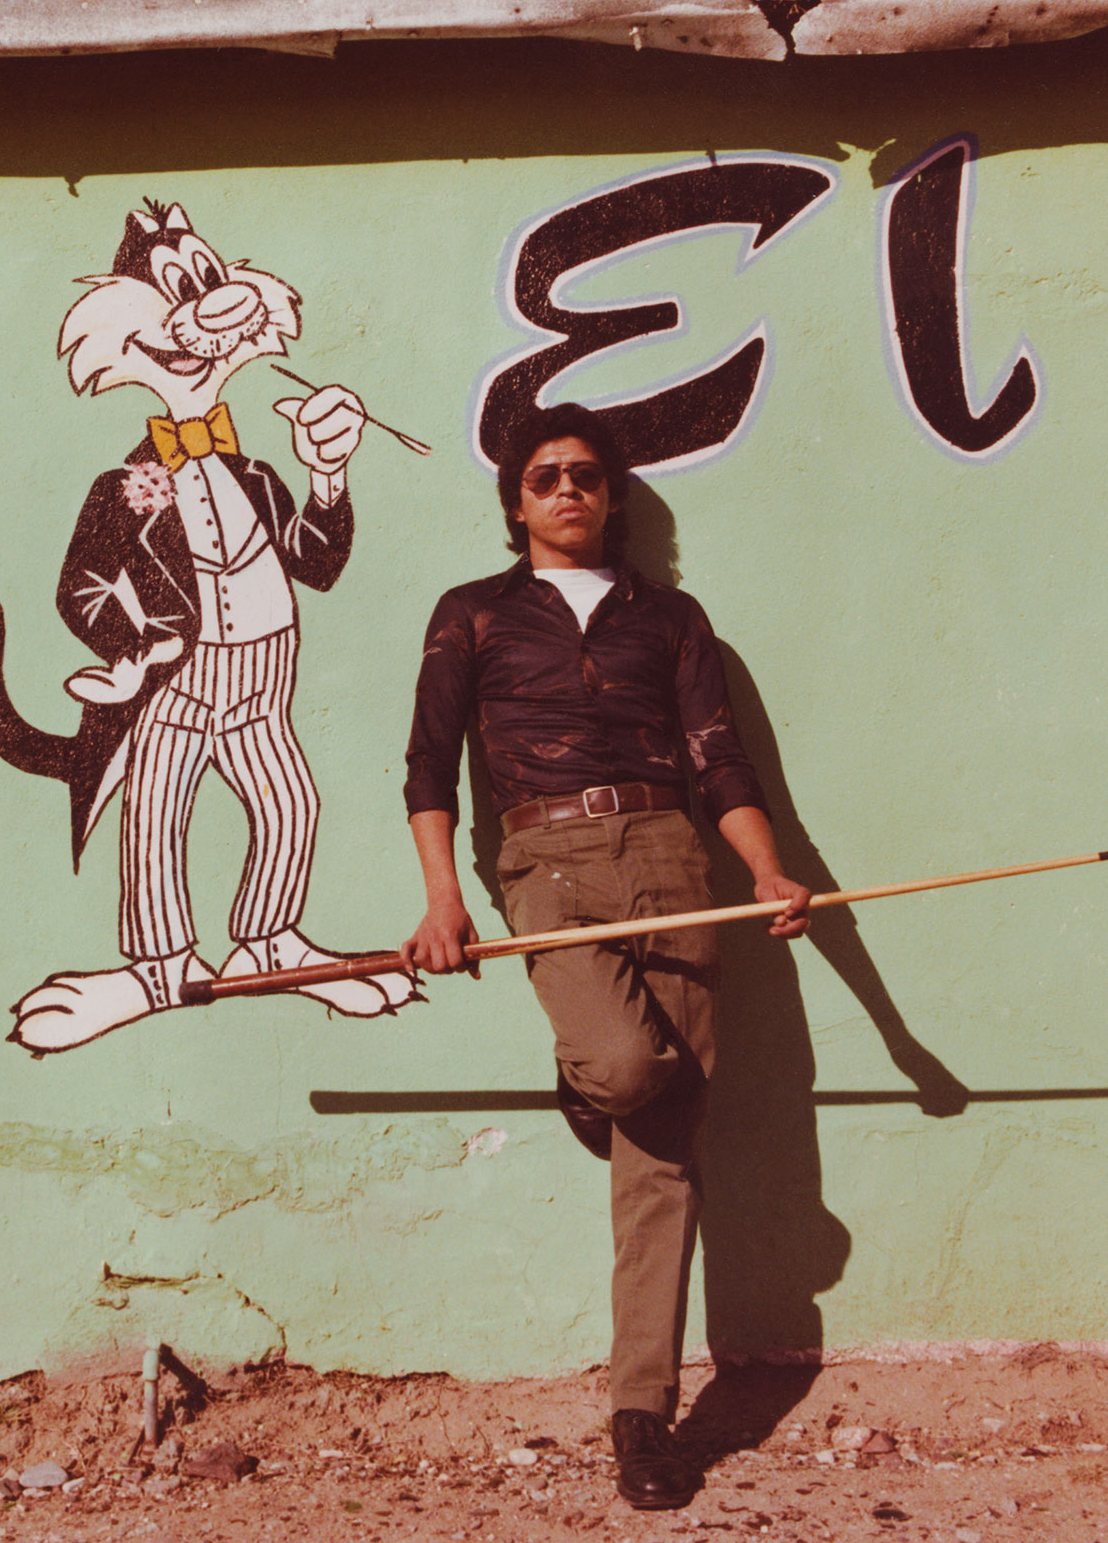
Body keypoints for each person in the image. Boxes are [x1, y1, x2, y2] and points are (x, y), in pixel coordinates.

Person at [400, 401, 810, 1513]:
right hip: (546, 858)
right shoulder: (474, 615)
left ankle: (643, 1415)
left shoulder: (669, 617)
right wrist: (445, 903)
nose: (567, 489)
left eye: (586, 473)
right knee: (629, 1070)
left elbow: (718, 759)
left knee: (665, 1151)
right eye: (543, 477)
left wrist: (766, 871)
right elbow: (430, 765)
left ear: (615, 494)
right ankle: (587, 1074)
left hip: (672, 856)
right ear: (515, 501)